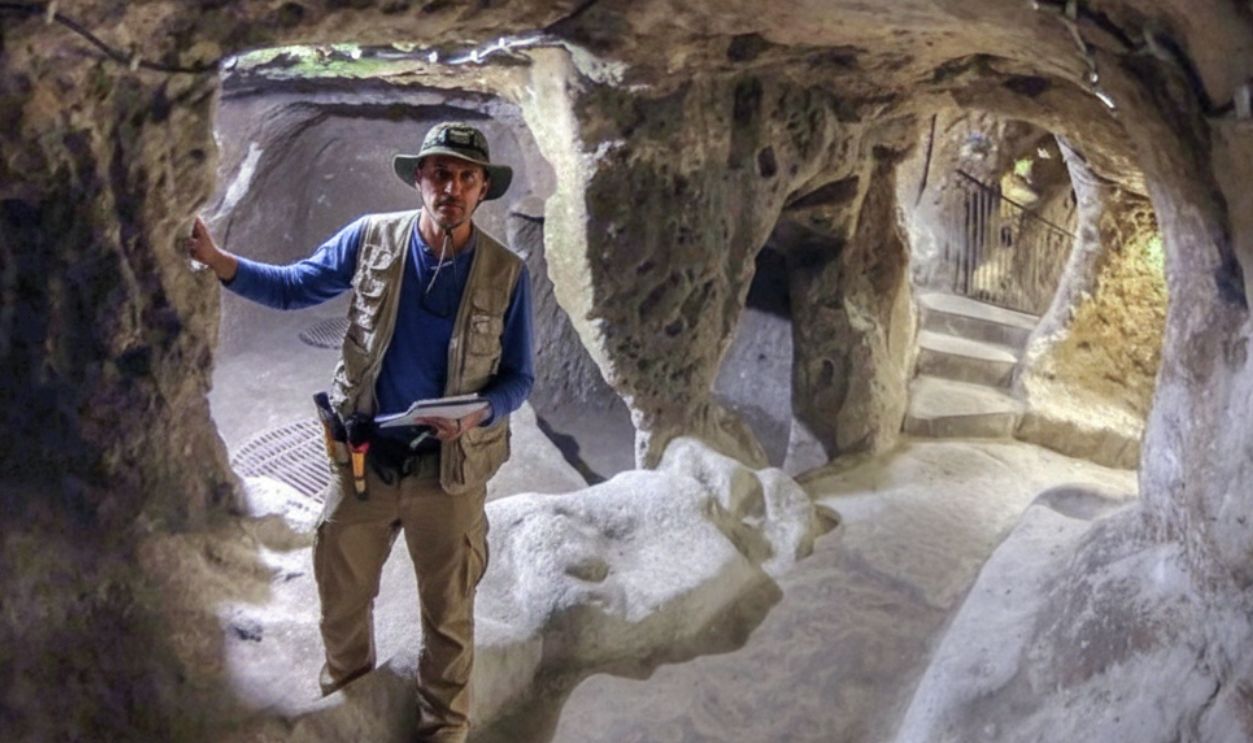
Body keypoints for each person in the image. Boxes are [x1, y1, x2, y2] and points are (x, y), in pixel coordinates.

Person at [188, 122, 533, 743]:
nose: (450, 187)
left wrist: (480, 412)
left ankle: (444, 730)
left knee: (448, 617)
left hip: (448, 472)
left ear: (482, 189)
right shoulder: (372, 238)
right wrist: (219, 261)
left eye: (465, 177)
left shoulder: (507, 273)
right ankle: (349, 707)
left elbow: (519, 377)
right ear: (420, 180)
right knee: (342, 602)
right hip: (365, 461)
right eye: (439, 173)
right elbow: (296, 286)